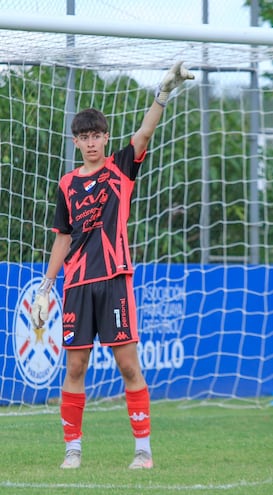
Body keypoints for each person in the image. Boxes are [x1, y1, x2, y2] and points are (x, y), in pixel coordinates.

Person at [31, 61, 194, 470]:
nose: (91, 143)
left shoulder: (120, 169)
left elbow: (144, 133)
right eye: (84, 137)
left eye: (97, 136)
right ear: (75, 141)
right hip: (76, 286)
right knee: (76, 366)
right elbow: (62, 238)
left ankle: (143, 451)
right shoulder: (67, 184)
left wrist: (163, 93)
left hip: (115, 280)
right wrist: (46, 287)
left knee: (127, 365)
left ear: (105, 138)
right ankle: (72, 450)